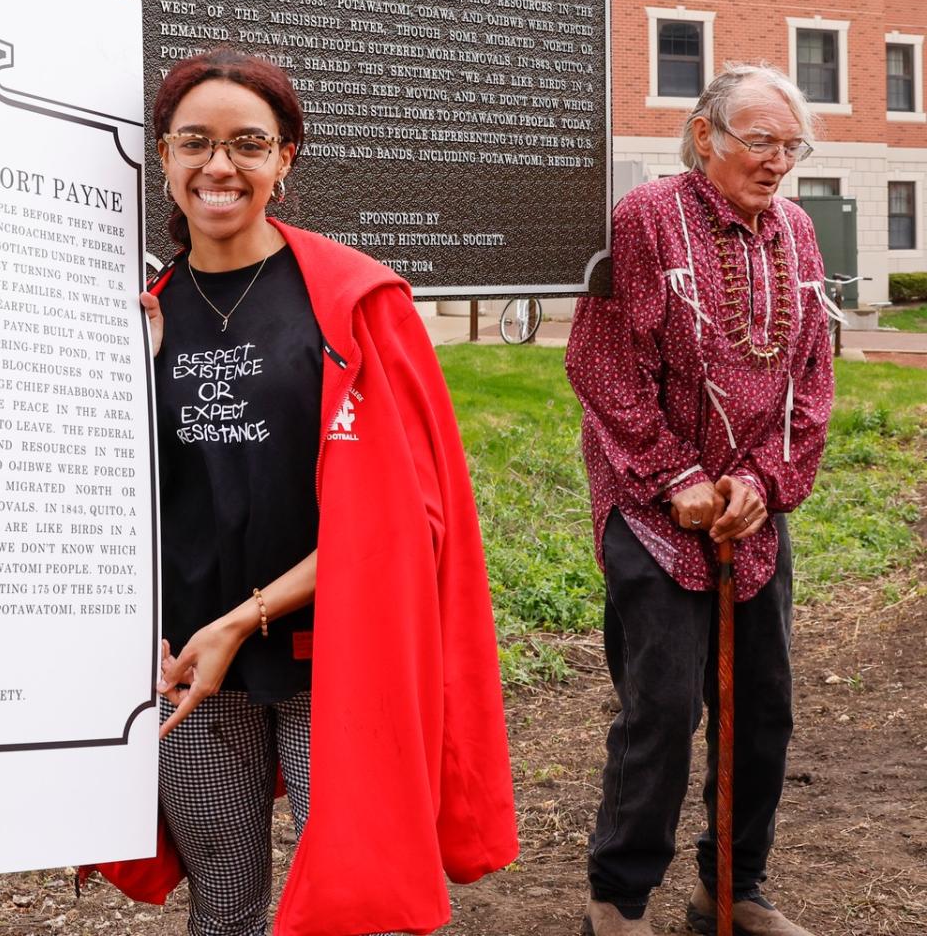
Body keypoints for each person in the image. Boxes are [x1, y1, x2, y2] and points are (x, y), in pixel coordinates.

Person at [95, 47, 517, 936]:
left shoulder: (355, 304)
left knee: (354, 894)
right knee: (224, 895)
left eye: (248, 143)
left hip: (335, 652)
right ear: (164, 157)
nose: (220, 165)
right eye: (195, 142)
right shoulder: (129, 318)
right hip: (185, 662)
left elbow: (402, 518)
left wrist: (245, 619)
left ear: (285, 159)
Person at [566, 65, 834, 936]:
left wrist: (760, 483)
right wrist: (675, 476)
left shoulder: (797, 230)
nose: (777, 161)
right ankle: (618, 896)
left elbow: (809, 379)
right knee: (665, 705)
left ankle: (733, 889)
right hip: (652, 505)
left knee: (764, 705)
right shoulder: (644, 220)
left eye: (790, 145)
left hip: (751, 511)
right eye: (759, 140)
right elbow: (603, 363)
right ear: (704, 135)